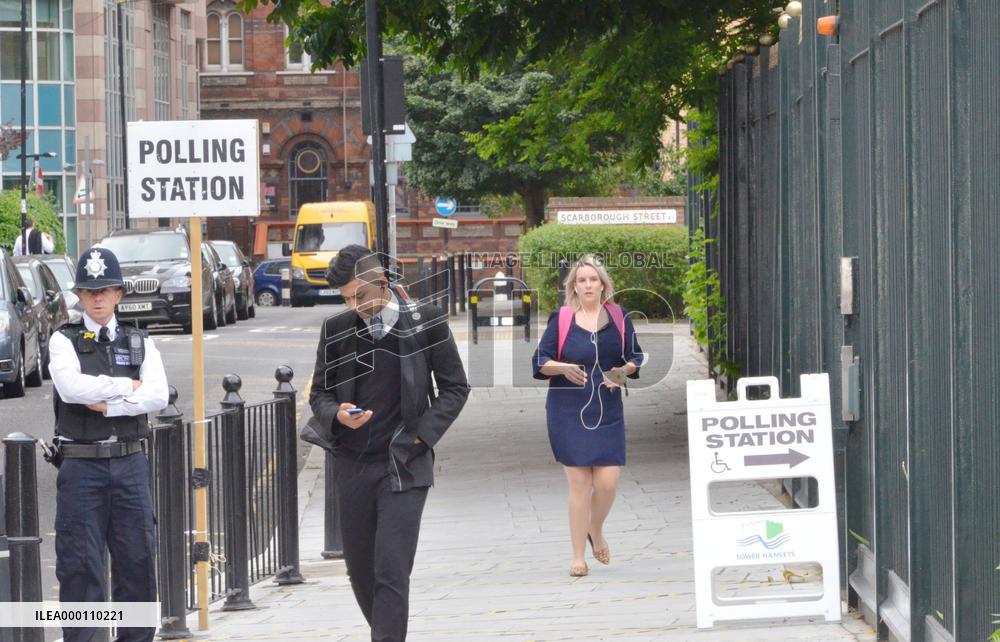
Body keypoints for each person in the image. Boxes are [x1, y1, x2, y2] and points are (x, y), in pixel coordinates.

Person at [308, 245, 469, 642]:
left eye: (359, 296)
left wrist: (421, 434)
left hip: (404, 464)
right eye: (345, 298)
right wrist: (337, 414)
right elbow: (319, 394)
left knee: (391, 570)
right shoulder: (337, 330)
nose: (354, 305)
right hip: (352, 465)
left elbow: (455, 388)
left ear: (381, 283)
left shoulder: (427, 323)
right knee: (360, 571)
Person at [46, 246, 169, 642]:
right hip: (81, 466)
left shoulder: (139, 341)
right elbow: (71, 387)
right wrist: (124, 388)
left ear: (119, 293)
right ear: (79, 296)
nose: (97, 298)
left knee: (137, 562)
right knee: (81, 569)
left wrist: (107, 404)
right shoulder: (63, 341)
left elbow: (158, 396)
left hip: (130, 463)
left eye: (105, 290)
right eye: (88, 292)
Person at [531, 254, 644, 577]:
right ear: (574, 287)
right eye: (582, 280)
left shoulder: (619, 318)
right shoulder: (562, 319)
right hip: (567, 409)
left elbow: (635, 356)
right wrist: (562, 368)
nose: (588, 285)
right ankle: (578, 557)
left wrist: (622, 372)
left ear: (603, 284)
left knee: (608, 482)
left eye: (593, 279)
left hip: (607, 407)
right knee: (580, 484)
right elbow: (540, 360)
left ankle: (596, 528)